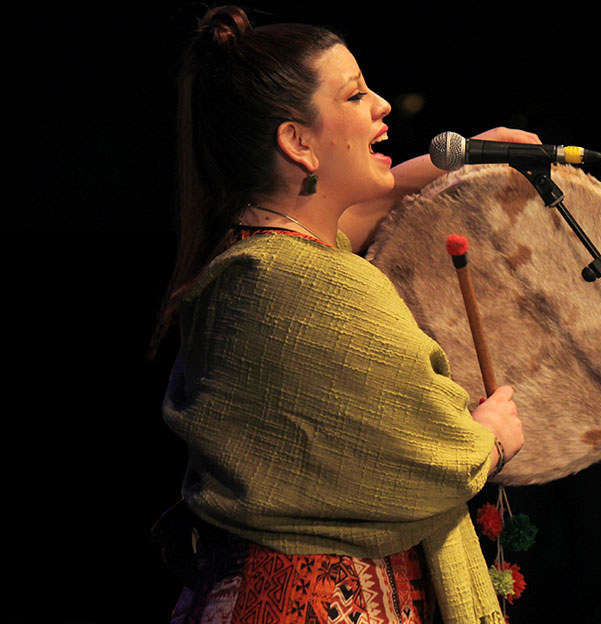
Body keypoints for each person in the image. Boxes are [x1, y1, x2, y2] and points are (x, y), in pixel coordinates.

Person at [153, 6, 533, 624]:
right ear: (298, 143)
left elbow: (352, 216)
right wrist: (488, 439)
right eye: (355, 95)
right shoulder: (313, 284)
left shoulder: (255, 256)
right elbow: (431, 448)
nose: (381, 105)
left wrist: (461, 158)